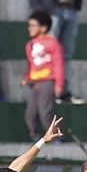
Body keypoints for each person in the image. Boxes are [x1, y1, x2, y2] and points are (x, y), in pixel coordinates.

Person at [25, 0, 84, 104]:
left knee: (65, 54)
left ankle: (62, 92)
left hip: (71, 9)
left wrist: (77, 4)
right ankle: (45, 91)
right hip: (52, 11)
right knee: (46, 53)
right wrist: (38, 9)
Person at [22, 10, 63, 141]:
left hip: (47, 82)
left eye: (33, 25)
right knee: (30, 114)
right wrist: (26, 78)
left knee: (45, 113)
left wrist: (59, 84)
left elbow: (58, 64)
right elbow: (30, 64)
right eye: (29, 25)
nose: (30, 28)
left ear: (44, 27)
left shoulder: (53, 43)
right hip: (34, 83)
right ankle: (38, 140)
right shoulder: (30, 45)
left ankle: (56, 138)